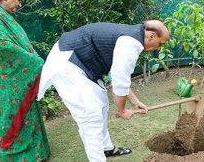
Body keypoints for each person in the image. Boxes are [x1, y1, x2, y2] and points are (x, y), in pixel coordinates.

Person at [38, 20, 170, 161]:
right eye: (160, 43)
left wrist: (135, 102)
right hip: (67, 64)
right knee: (90, 116)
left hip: (83, 64)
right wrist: (122, 111)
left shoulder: (133, 36)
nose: (159, 47)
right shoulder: (131, 43)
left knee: (102, 104)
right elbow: (119, 82)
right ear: (150, 36)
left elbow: (120, 77)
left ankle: (106, 148)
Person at [0, 0, 50, 161]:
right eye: (18, 0)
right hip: (6, 78)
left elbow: (19, 42)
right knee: (10, 112)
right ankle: (17, 155)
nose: (19, 4)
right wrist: (34, 61)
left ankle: (35, 152)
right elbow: (2, 46)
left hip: (18, 76)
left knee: (28, 111)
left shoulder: (3, 14)